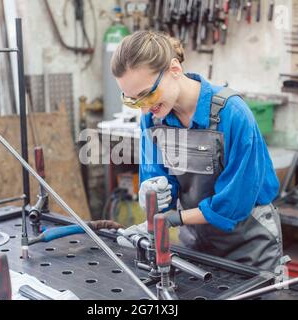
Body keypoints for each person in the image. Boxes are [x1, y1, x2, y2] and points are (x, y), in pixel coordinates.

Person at [111, 30, 283, 271]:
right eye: (133, 101)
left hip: (250, 245)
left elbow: (234, 203)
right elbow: (157, 178)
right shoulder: (153, 119)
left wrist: (173, 219)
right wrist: (152, 194)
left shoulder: (232, 114)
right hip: (194, 244)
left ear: (174, 69)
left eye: (147, 94)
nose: (145, 108)